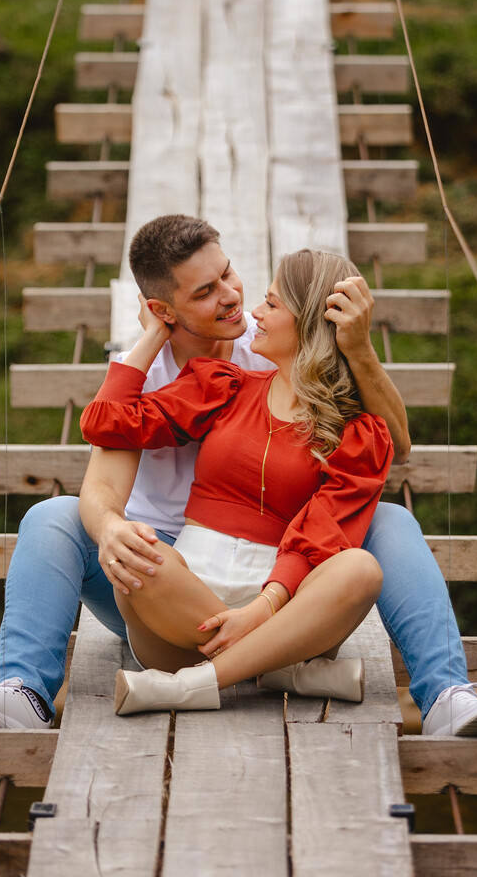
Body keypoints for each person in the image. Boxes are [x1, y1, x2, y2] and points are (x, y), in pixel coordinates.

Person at [0, 215, 477, 735]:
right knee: (52, 516)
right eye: (206, 292)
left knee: (387, 520)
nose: (235, 298)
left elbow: (392, 446)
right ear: (163, 309)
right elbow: (102, 481)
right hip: (164, 572)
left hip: (279, 564)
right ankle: (24, 694)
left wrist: (358, 349)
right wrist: (111, 533)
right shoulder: (148, 374)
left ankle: (445, 696)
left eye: (230, 275)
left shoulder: (271, 349)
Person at [79, 246, 391, 714]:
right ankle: (275, 668)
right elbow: (107, 422)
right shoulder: (221, 385)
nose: (254, 313)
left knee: (360, 569)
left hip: (284, 608)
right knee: (136, 553)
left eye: (272, 304)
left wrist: (263, 609)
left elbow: (322, 531)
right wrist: (149, 340)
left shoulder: (358, 433)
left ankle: (192, 687)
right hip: (183, 622)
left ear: (306, 321)